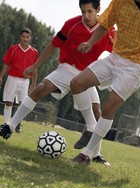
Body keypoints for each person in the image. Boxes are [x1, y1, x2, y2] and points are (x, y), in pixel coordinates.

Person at [0, 0, 116, 166]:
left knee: (97, 111)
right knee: (41, 88)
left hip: (87, 73)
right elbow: (53, 45)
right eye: (83, 12)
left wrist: (117, 46)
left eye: (90, 11)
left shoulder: (108, 28)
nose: (86, 16)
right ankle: (10, 126)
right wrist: (35, 66)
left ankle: (95, 154)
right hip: (67, 68)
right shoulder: (71, 24)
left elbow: (116, 54)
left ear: (98, 10)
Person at [69, 0, 140, 165]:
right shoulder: (120, 1)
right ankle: (91, 126)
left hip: (136, 67)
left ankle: (86, 154)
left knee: (109, 106)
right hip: (114, 58)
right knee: (76, 83)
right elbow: (105, 24)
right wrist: (90, 42)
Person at [0, 28, 38, 133]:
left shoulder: (34, 52)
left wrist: (33, 83)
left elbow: (35, 68)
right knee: (8, 101)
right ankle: (6, 123)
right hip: (12, 78)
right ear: (20, 37)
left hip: (25, 81)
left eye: (27, 37)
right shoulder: (13, 49)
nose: (25, 39)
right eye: (23, 37)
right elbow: (6, 64)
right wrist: (1, 76)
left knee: (23, 103)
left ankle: (17, 123)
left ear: (30, 38)